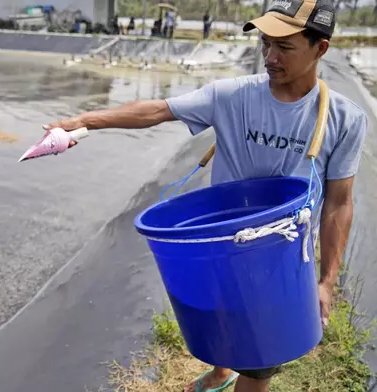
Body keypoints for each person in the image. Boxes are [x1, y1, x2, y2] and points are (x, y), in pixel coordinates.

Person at [43, 0, 367, 391]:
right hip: (220, 240)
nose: (270, 57)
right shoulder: (233, 96)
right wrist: (85, 121)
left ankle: (240, 372)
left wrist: (327, 282)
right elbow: (158, 111)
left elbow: (338, 203)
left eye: (284, 47)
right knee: (220, 317)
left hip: (277, 252)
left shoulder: (343, 119)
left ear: (320, 49)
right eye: (265, 44)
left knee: (259, 359)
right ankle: (219, 372)